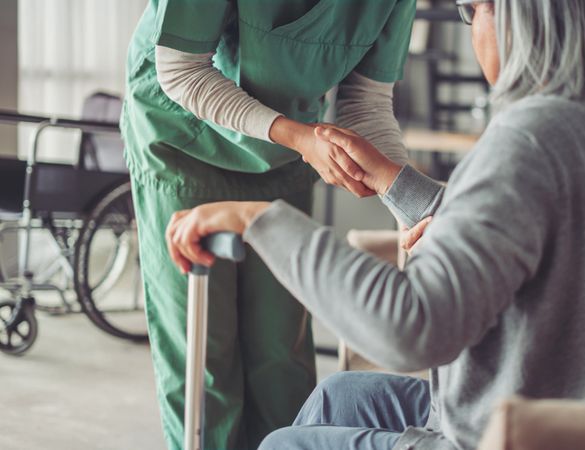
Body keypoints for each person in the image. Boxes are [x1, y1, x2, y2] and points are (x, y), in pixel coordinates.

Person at [166, 1, 585, 449]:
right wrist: (390, 180)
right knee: (339, 397)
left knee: (285, 446)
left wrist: (259, 220)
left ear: (521, 16)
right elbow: (518, 225)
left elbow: (411, 327)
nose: (472, 25)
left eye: (471, 9)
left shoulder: (532, 137)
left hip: (523, 431)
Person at [121, 1, 416, 448]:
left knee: (282, 350)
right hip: (185, 138)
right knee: (205, 354)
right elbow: (182, 71)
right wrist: (300, 138)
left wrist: (408, 211)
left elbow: (366, 102)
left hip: (290, 152)